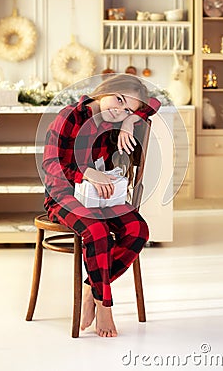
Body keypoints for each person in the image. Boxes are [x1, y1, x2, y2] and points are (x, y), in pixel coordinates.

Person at [42, 74, 160, 337]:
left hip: (102, 198)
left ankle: (90, 288)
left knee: (138, 230)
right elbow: (50, 164)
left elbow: (155, 102)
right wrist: (85, 174)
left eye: (127, 109)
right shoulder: (70, 116)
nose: (119, 110)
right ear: (104, 90)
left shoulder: (116, 121)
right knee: (97, 232)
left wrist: (131, 120)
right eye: (118, 99)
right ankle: (104, 305)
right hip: (64, 196)